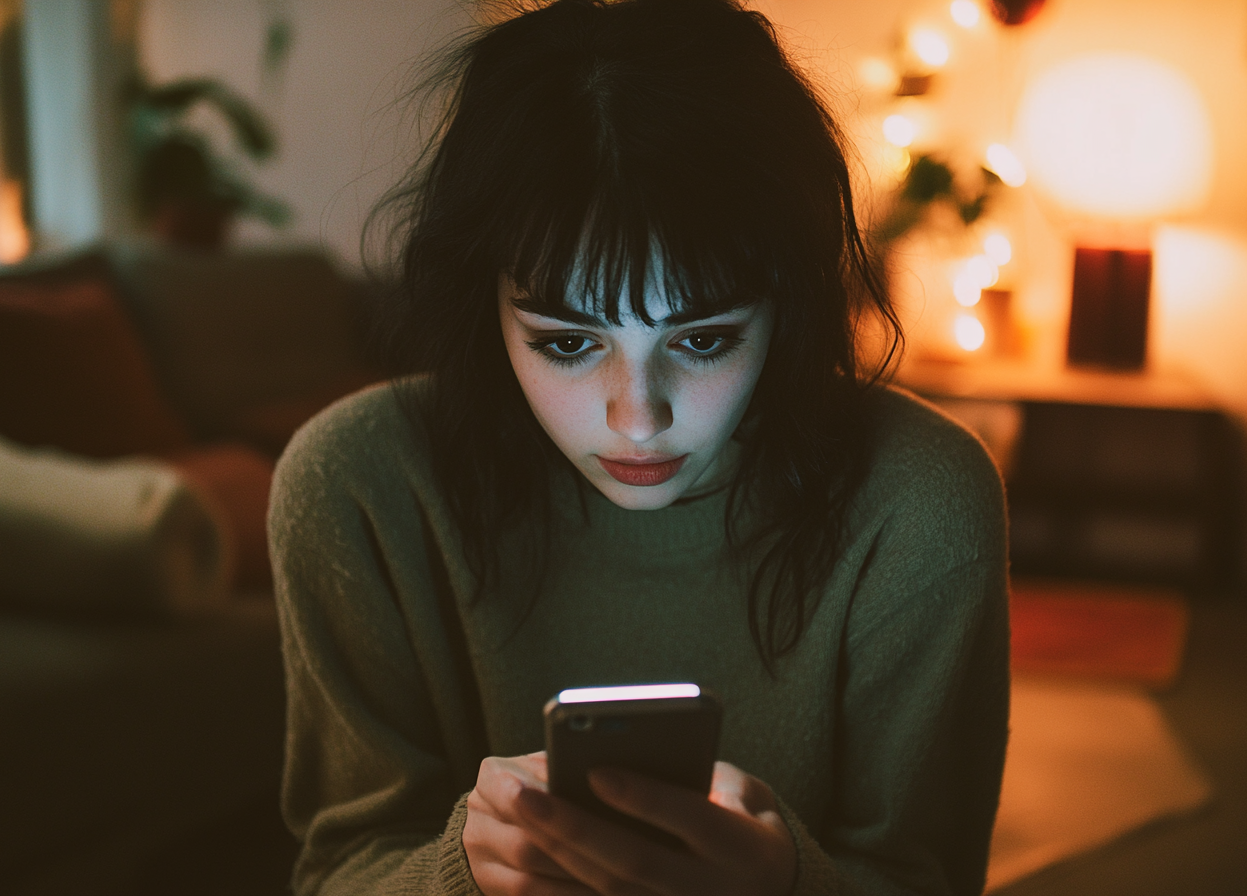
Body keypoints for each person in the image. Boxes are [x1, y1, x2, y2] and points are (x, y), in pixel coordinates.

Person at [268, 0, 1010, 894]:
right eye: (567, 342)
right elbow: (337, 870)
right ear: (486, 308)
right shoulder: (357, 486)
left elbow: (928, 876)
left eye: (702, 340)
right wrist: (464, 870)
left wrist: (786, 885)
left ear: (788, 305)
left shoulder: (919, 503)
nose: (637, 419)